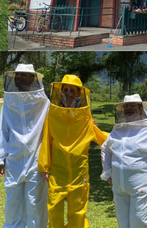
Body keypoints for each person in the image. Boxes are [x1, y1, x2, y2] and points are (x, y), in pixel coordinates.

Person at [38, 74, 108, 228]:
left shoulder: (85, 117)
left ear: (78, 94)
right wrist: (44, 166)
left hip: (79, 173)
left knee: (77, 214)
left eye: (73, 90)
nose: (69, 93)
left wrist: (124, 139)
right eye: (66, 89)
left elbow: (101, 137)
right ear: (60, 92)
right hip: (57, 172)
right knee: (54, 211)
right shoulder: (53, 114)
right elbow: (46, 141)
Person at [101, 95, 147, 228]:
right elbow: (105, 149)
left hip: (142, 188)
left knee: (140, 223)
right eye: (126, 106)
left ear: (140, 109)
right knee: (123, 222)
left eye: (132, 106)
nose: (128, 109)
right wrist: (107, 173)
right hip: (119, 187)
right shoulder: (117, 131)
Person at [0, 64, 50, 228]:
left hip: (37, 161)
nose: (19, 77)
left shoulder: (44, 102)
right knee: (13, 203)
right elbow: (3, 129)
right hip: (14, 159)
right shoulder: (9, 102)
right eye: (17, 74)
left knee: (36, 206)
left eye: (24, 75)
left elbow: (56, 126)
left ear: (33, 78)